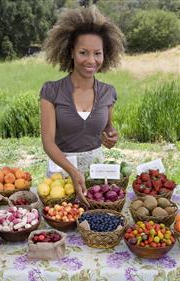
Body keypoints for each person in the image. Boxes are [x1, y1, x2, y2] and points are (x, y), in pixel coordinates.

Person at [40, 6, 124, 199]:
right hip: (60, 174)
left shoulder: (108, 92)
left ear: (106, 54)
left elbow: (107, 130)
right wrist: (72, 170)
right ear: (71, 52)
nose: (91, 60)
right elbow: (48, 142)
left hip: (95, 176)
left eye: (97, 53)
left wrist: (110, 137)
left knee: (94, 223)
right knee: (62, 221)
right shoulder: (51, 91)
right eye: (83, 52)